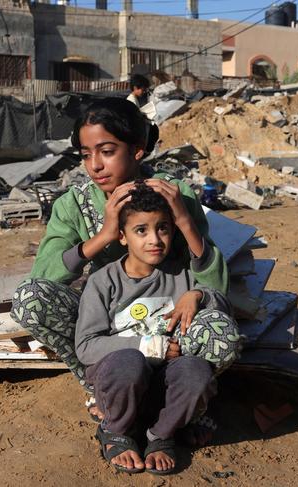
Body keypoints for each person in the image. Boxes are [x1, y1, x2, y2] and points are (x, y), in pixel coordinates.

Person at [10, 97, 229, 432]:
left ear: (137, 150)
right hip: (106, 320)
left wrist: (184, 221)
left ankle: (178, 392)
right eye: (86, 155)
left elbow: (214, 282)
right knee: (30, 299)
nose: (95, 165)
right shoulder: (73, 204)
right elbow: (44, 275)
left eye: (107, 151)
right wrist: (104, 236)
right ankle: (102, 388)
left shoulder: (174, 195)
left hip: (169, 318)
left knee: (222, 332)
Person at [75, 182, 242, 475]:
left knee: (196, 371)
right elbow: (87, 346)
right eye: (141, 230)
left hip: (166, 381)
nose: (155, 239)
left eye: (163, 228)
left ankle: (161, 434)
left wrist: (199, 295)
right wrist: (149, 346)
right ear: (123, 237)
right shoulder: (103, 281)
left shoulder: (181, 275)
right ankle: (116, 430)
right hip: (120, 381)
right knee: (128, 362)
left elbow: (223, 309)